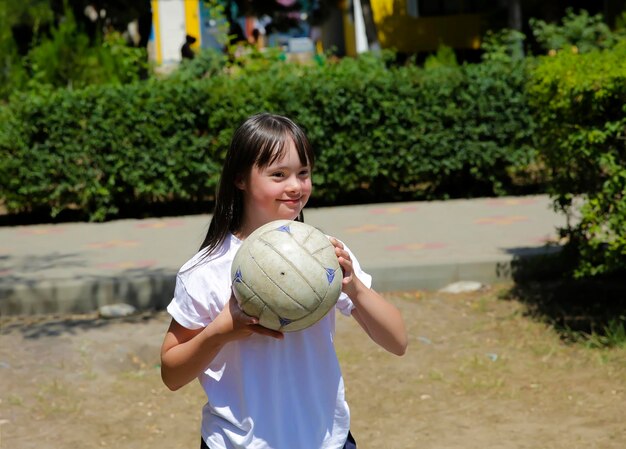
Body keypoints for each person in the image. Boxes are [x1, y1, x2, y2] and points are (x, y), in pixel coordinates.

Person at [160, 113, 408, 449]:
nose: (295, 186)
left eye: (303, 173)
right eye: (278, 175)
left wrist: (355, 288)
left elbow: (398, 341)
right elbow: (171, 374)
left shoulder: (327, 255)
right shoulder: (205, 270)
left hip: (325, 440)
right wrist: (220, 332)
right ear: (240, 179)